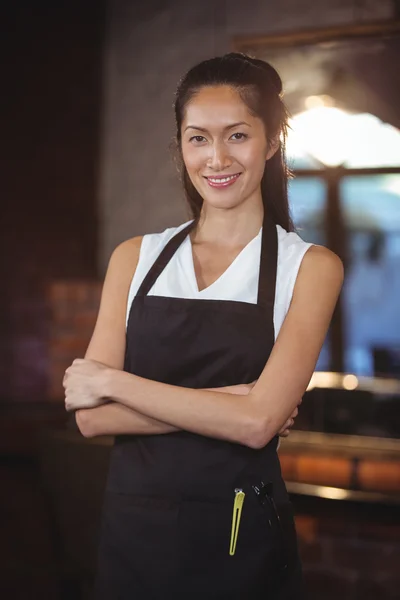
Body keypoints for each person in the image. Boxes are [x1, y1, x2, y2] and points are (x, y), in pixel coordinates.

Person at [63, 53, 344, 599]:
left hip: (241, 542)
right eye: (198, 138)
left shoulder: (308, 268)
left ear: (272, 142)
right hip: (133, 538)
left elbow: (259, 425)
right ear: (181, 147)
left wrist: (114, 383)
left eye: (237, 135)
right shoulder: (135, 258)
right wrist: (231, 402)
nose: (217, 157)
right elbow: (92, 422)